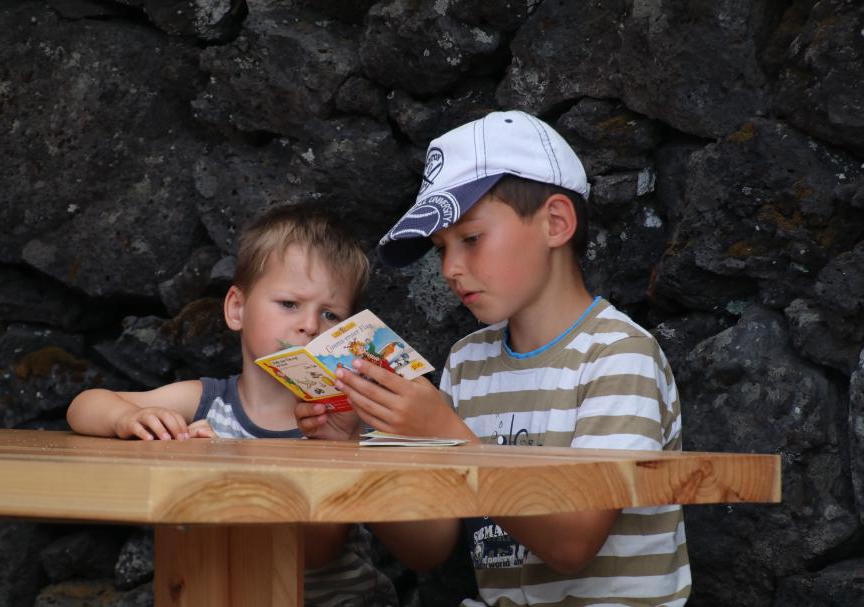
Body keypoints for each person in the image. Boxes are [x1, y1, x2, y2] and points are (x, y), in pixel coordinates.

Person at [297, 111, 691, 606]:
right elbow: (430, 545)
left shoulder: (618, 355)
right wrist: (361, 445)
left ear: (556, 223)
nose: (450, 268)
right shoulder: (468, 362)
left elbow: (573, 543)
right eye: (440, 248)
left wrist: (450, 439)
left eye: (471, 238)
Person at [67, 203, 398, 607]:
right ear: (237, 308)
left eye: (330, 314)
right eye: (290, 304)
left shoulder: (346, 423)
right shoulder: (208, 402)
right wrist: (130, 418)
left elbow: (319, 552)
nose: (309, 325)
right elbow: (84, 405)